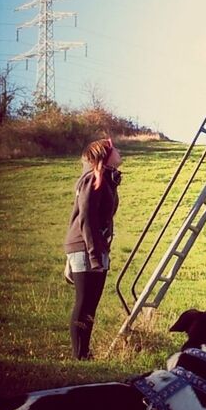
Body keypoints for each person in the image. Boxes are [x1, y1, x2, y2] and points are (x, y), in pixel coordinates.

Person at [64, 137, 122, 359]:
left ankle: (84, 353)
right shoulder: (92, 180)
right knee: (84, 301)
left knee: (91, 304)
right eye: (114, 149)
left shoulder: (106, 179)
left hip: (96, 248)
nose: (118, 151)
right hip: (87, 247)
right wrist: (93, 254)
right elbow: (85, 219)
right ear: (105, 155)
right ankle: (79, 355)